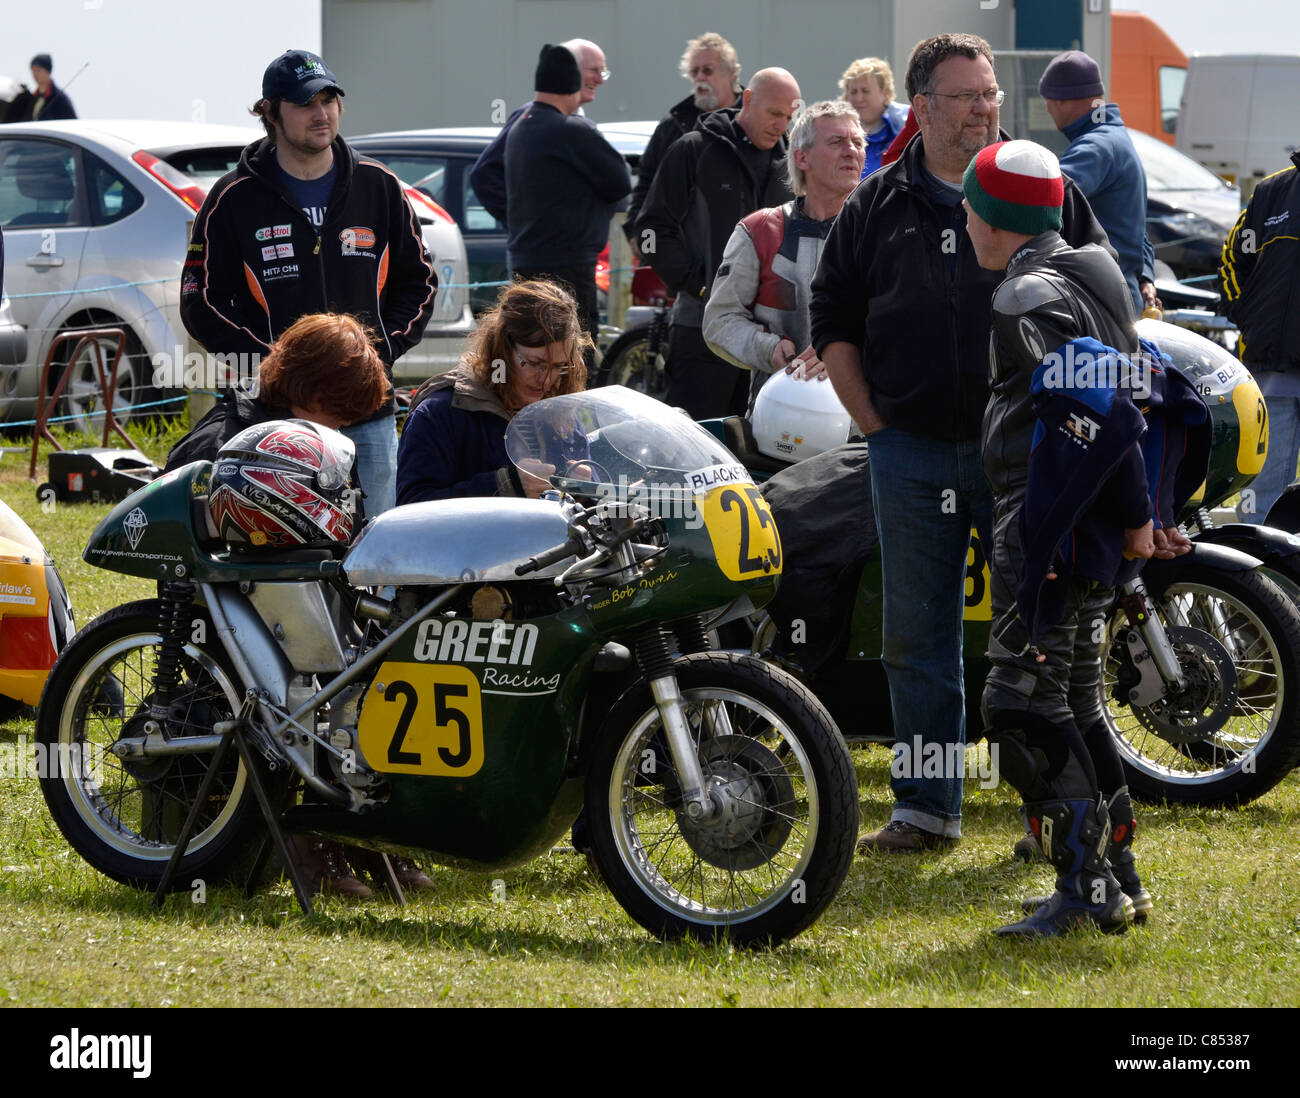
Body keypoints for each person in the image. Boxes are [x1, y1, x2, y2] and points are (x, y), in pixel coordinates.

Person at [810, 33, 1113, 853]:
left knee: (1038, 637)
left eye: (991, 95)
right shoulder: (876, 204)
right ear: (923, 108)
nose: (987, 109)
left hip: (1026, 458)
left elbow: (1099, 296)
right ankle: (925, 809)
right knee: (916, 639)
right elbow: (832, 318)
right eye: (969, 95)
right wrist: (873, 423)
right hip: (908, 453)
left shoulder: (1043, 184)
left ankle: (1052, 815)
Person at [962, 138, 1188, 935]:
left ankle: (1082, 887)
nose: (963, 213)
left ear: (992, 216)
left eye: (971, 201)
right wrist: (1137, 514)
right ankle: (1115, 880)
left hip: (1050, 516)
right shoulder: (1097, 266)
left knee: (1017, 707)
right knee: (1078, 700)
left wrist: (1134, 520)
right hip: (1086, 517)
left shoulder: (1023, 298)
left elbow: (1106, 414)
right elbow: (1131, 399)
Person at [169, 312, 433, 898]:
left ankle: (365, 828)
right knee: (331, 682)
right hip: (238, 631)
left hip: (313, 615)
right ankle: (312, 839)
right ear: (308, 392)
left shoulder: (314, 442)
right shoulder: (222, 442)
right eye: (340, 414)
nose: (346, 428)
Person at [180, 49, 437, 520]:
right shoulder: (233, 197)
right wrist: (275, 367)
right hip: (275, 414)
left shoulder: (379, 186)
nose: (322, 113)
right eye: (305, 103)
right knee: (289, 543)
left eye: (329, 99)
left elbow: (418, 282)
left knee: (380, 542)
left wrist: (373, 356)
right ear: (271, 113)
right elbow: (201, 303)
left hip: (368, 411)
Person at [639, 67, 802, 419]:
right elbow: (651, 232)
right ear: (748, 99)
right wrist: (702, 286)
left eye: (790, 116)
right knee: (694, 447)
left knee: (758, 455)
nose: (781, 124)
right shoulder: (694, 150)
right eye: (774, 113)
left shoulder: (789, 162)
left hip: (771, 342)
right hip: (701, 331)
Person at [703, 100, 864, 406]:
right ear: (802, 157)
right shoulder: (760, 230)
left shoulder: (881, 231)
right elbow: (719, 321)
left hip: (861, 426)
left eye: (857, 142)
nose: (851, 150)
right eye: (836, 142)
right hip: (778, 414)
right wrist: (770, 349)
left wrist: (844, 350)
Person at [397, 279, 589, 505]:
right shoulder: (441, 413)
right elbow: (411, 508)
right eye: (535, 363)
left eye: (559, 366)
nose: (546, 379)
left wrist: (589, 492)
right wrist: (505, 485)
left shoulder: (562, 415)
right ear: (503, 350)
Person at [504, 45, 632, 344]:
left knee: (531, 350)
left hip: (526, 264)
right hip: (568, 268)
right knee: (573, 355)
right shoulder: (570, 130)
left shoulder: (520, 128)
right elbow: (620, 180)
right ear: (572, 85)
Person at [1039, 50, 1158, 316]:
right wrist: (1146, 275)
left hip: (1102, 302)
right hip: (1122, 295)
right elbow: (1138, 231)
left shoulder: (1097, 148)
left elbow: (1038, 200)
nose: (1048, 111)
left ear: (1063, 101)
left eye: (1048, 103)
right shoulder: (1116, 139)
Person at [1220, 151, 1300, 523]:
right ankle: (1258, 578)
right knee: (1260, 496)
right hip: (1271, 370)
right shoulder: (1271, 192)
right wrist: (1249, 315)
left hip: (1273, 366)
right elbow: (1235, 256)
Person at [469, 38, 609, 228]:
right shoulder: (531, 119)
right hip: (542, 252)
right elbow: (485, 174)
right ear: (570, 69)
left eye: (603, 72)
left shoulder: (583, 123)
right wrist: (523, 225)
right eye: (594, 70)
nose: (600, 79)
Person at [624, 32, 744, 252]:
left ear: (732, 74)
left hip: (743, 247)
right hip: (683, 252)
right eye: (694, 71)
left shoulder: (753, 120)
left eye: (707, 70)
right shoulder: (674, 124)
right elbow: (648, 179)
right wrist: (637, 232)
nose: (700, 78)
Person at [839, 57, 908, 178]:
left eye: (865, 91)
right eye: (853, 92)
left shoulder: (905, 127)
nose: (859, 98)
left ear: (885, 93)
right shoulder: (836, 133)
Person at [23, 54, 76, 121]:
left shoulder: (60, 99)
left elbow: (72, 123)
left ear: (48, 71)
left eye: (38, 70)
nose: (35, 74)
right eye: (33, 70)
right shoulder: (31, 98)